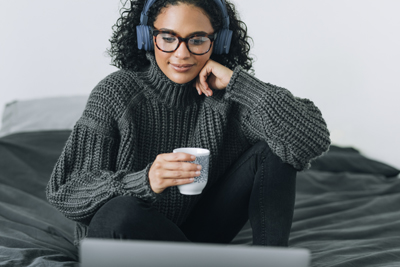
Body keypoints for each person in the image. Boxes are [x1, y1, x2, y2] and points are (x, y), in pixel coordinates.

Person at [46, 0, 330, 248]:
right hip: (129, 235)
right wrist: (145, 181)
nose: (182, 54)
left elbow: (310, 139)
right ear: (147, 37)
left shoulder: (227, 97)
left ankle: (271, 261)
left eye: (197, 39)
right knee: (118, 212)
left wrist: (239, 83)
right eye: (168, 38)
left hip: (199, 232)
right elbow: (65, 191)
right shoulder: (116, 93)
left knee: (276, 147)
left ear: (218, 42)